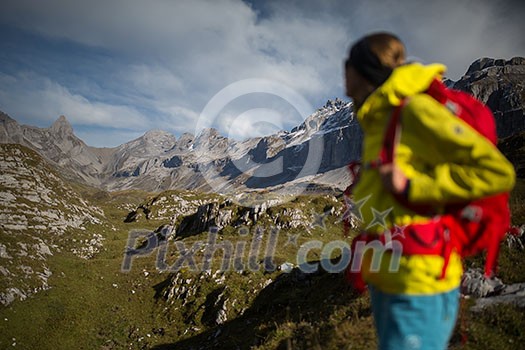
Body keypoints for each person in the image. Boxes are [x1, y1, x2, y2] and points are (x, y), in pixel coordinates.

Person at [344, 32, 515, 350]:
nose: (344, 70)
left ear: (364, 69)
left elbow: (496, 172)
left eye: (349, 64)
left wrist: (411, 185)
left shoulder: (413, 110)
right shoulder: (379, 119)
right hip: (390, 276)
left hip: (420, 279)